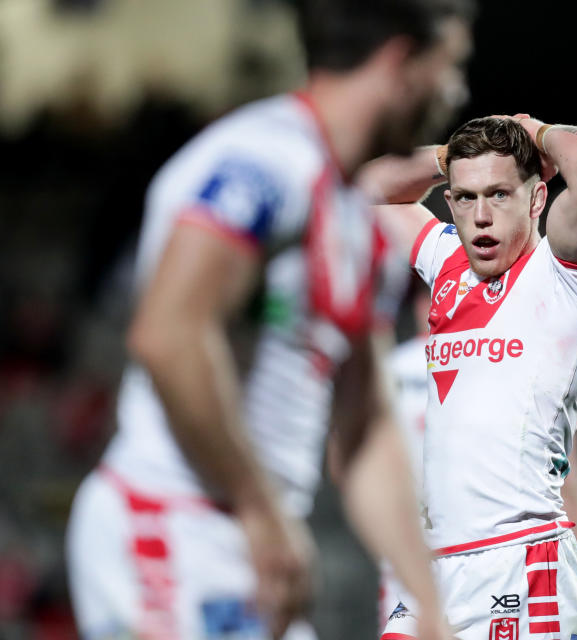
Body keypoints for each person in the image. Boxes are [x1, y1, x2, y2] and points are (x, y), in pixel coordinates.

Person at [64, 1, 473, 638]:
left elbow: (364, 431)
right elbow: (168, 334)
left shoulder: (355, 218)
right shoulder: (262, 162)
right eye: (451, 67)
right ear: (400, 63)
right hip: (172, 524)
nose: (456, 91)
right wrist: (260, 507)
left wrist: (434, 606)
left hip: (249, 546)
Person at [366, 114, 577, 640]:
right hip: (431, 565)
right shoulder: (445, 260)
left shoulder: (566, 276)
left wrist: (537, 133)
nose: (481, 216)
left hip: (522, 562)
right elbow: (363, 190)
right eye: (464, 197)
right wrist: (448, 158)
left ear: (537, 201)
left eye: (500, 194)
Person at [377, 289, 577, 639]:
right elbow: (569, 488)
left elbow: (344, 465)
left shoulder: (387, 373)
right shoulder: (522, 369)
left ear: (422, 306)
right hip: (510, 577)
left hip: (410, 575)